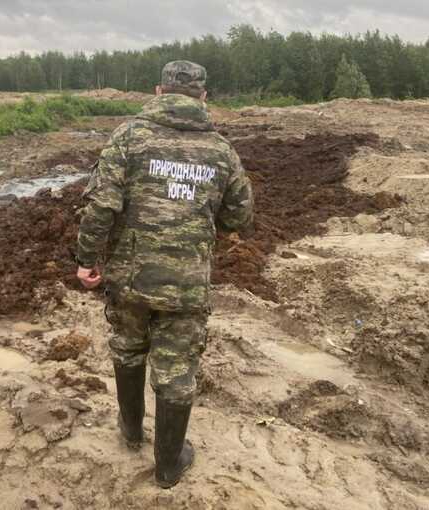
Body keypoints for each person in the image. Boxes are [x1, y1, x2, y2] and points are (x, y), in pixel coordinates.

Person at [75, 60, 254, 489]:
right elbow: (240, 216)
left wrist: (86, 258)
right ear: (203, 97)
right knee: (176, 370)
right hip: (187, 284)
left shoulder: (128, 138)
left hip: (130, 278)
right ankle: (169, 466)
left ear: (159, 91)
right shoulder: (221, 151)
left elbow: (101, 205)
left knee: (128, 347)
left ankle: (131, 430)